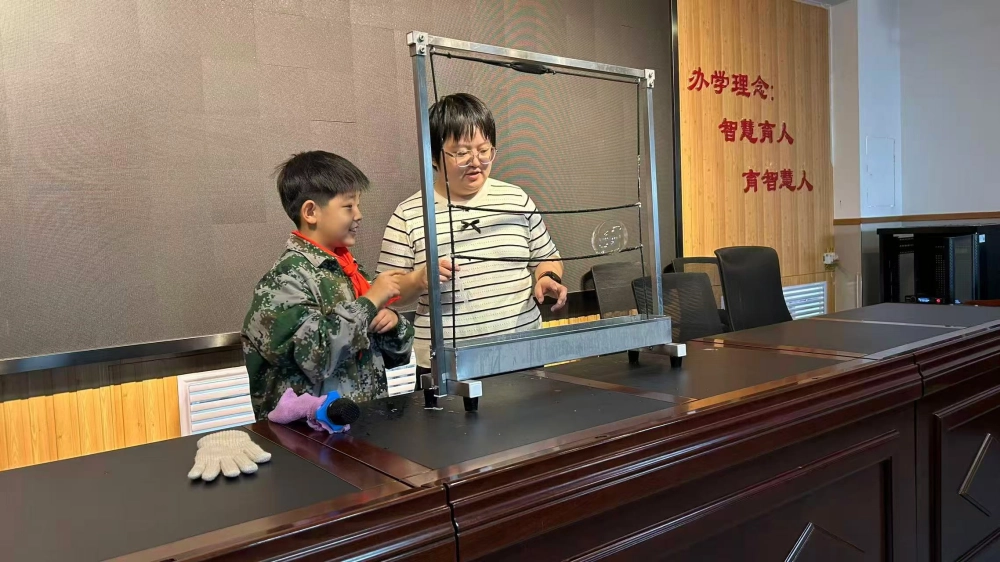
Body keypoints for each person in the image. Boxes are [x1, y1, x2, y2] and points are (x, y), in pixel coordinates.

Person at [377, 93, 567, 372]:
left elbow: (547, 257)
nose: (476, 161)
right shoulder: (409, 214)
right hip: (445, 365)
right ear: (434, 156)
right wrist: (419, 280)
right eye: (462, 152)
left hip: (522, 353)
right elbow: (385, 293)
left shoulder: (516, 199)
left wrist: (548, 277)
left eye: (484, 150)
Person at [242, 151, 414, 418]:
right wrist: (369, 303)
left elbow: (397, 357)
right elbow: (316, 357)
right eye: (348, 206)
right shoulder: (284, 280)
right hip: (309, 436)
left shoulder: (348, 270)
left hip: (363, 425)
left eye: (358, 205)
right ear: (311, 212)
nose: (359, 215)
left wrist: (393, 324)